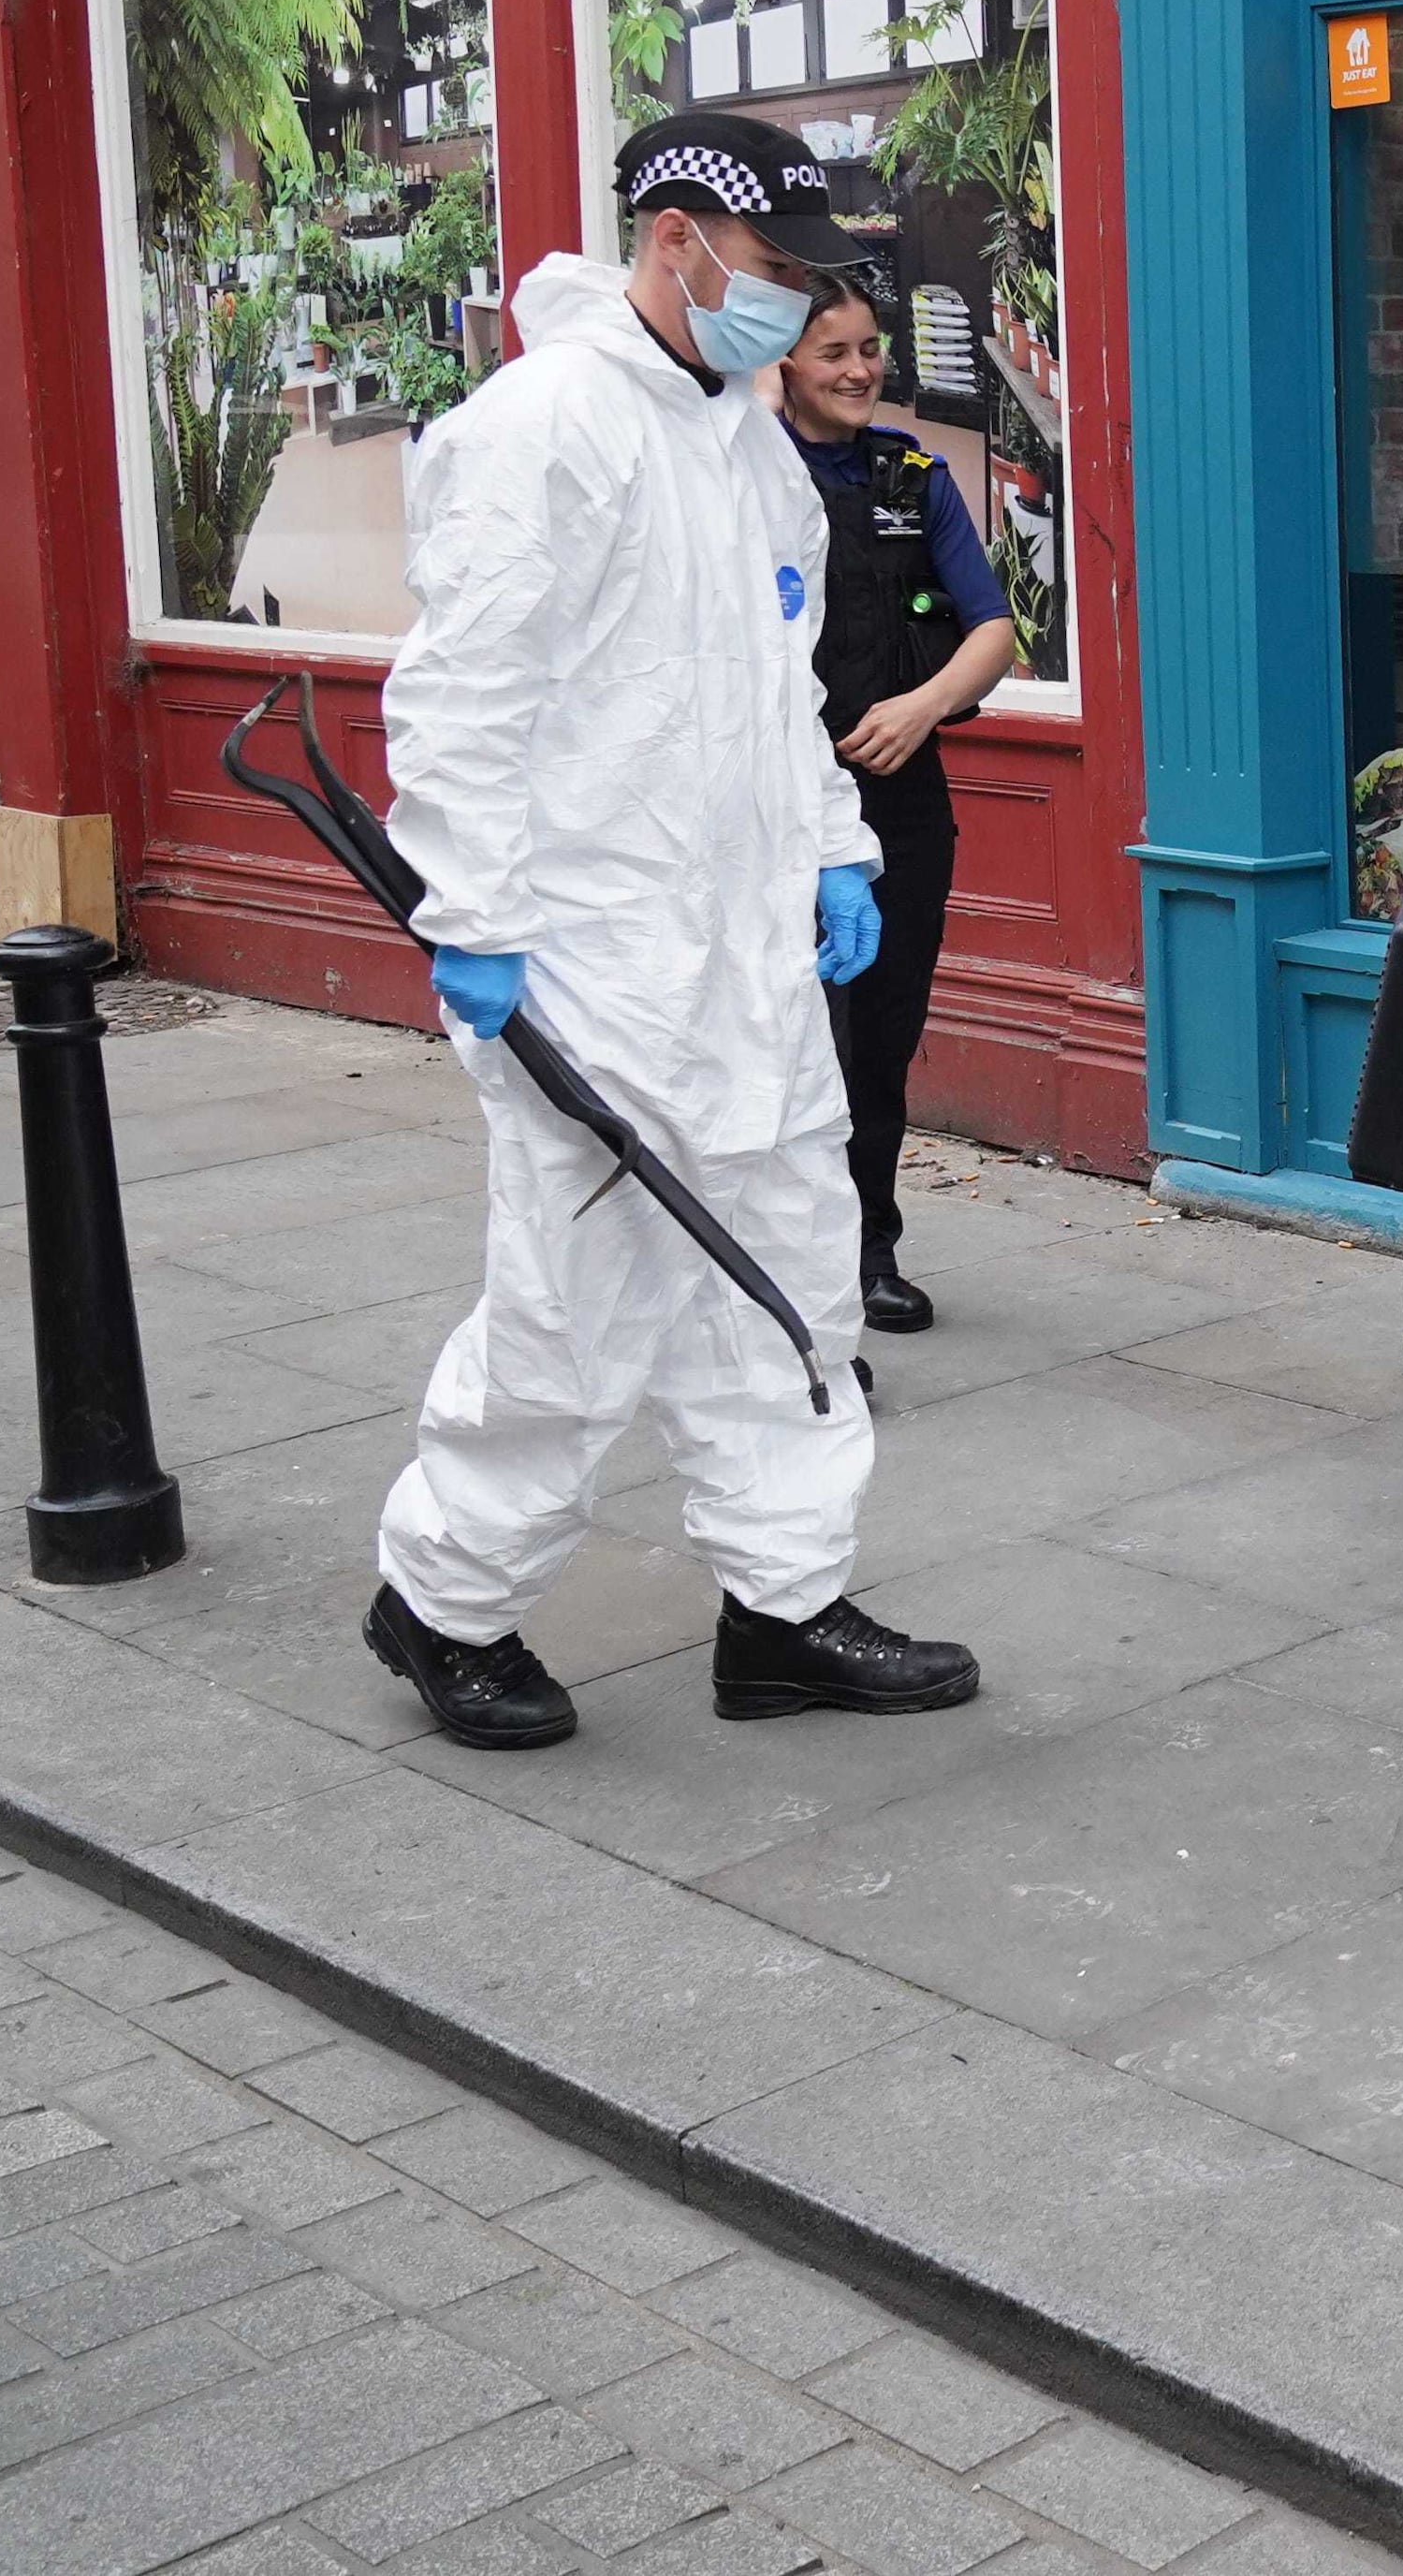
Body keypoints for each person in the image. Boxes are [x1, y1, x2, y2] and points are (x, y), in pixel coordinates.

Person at [363, 110, 983, 1749]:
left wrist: (837, 849)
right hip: (588, 962)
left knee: (788, 1284)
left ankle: (784, 1606)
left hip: (744, 952)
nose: (793, 307)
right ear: (675, 243)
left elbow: (782, 689)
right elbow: (461, 698)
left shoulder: (743, 442)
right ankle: (446, 1594)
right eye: (775, 274)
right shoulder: (542, 429)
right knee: (579, 1312)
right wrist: (480, 925)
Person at [776, 277, 1021, 1334]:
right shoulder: (744, 475)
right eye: (834, 352)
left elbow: (994, 631)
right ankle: (779, 1257)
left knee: (877, 1040)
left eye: (869, 349)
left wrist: (923, 707)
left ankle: (868, 1250)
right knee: (779, 1040)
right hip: (771, 804)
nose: (859, 370)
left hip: (897, 806)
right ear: (784, 362)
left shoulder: (911, 476)